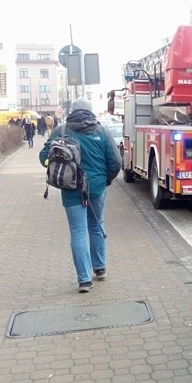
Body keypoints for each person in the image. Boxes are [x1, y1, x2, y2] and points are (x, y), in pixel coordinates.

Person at [39, 97, 122, 293]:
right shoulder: (101, 131)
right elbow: (116, 162)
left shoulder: (62, 131)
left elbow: (43, 157)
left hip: (71, 189)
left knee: (78, 231)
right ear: (91, 111)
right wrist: (106, 181)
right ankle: (100, 268)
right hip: (96, 188)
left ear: (73, 111)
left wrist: (53, 168)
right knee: (96, 224)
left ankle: (84, 280)